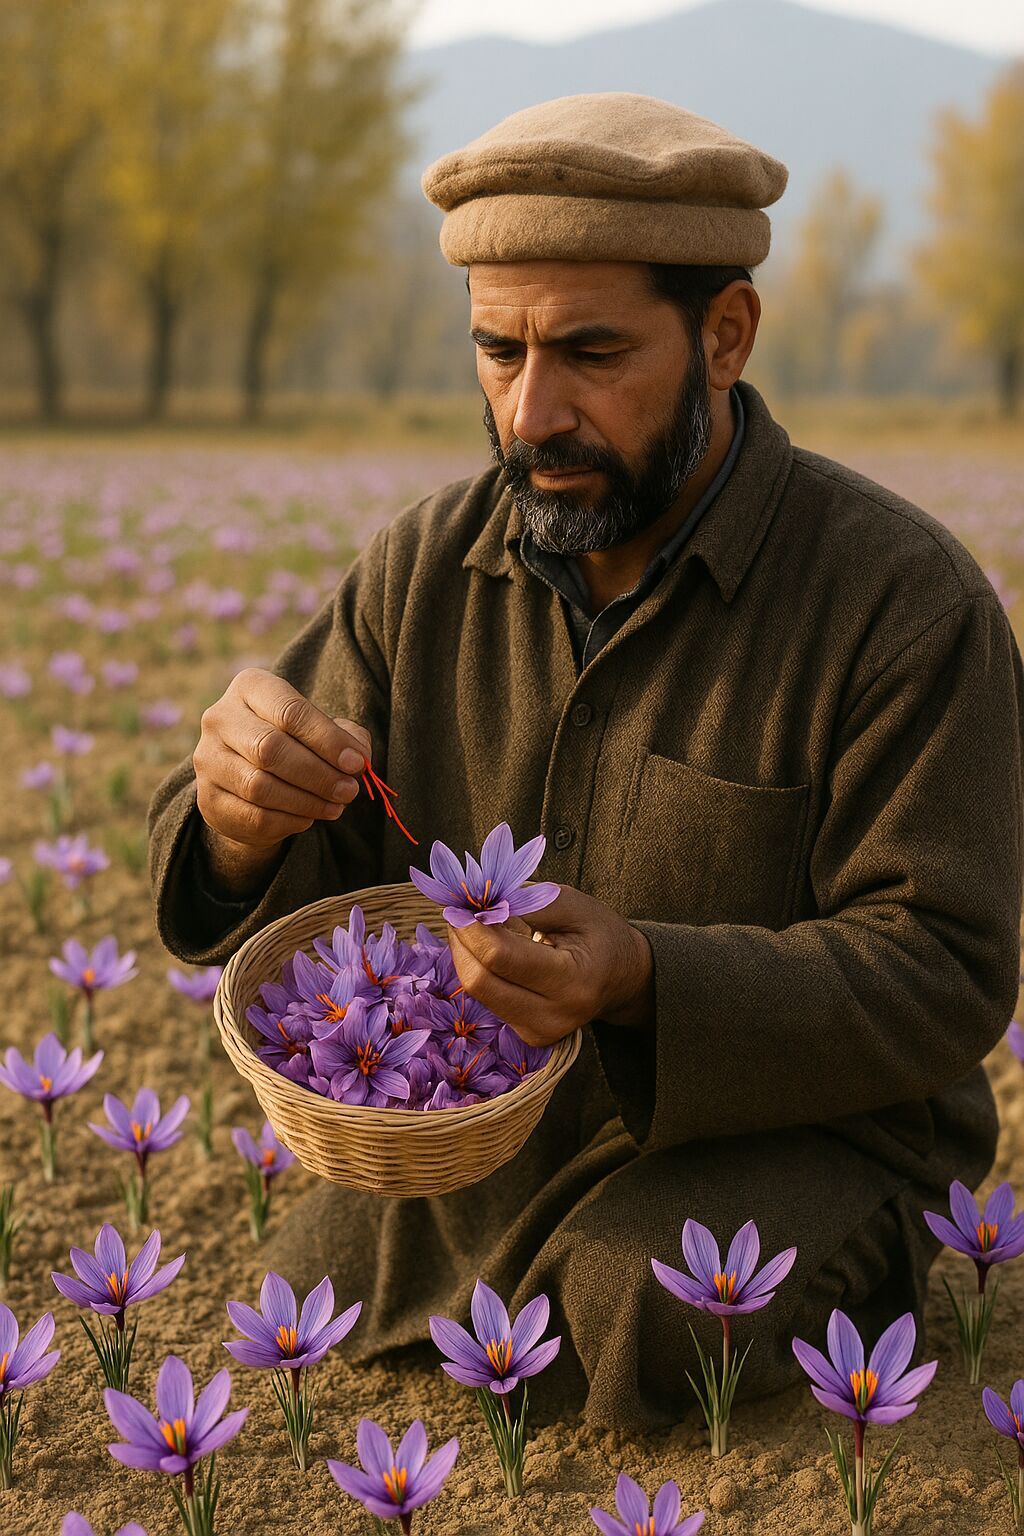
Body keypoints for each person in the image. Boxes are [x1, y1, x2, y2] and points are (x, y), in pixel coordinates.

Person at [146, 93, 1024, 1435]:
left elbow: (945, 968)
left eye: (591, 352)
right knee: (303, 1288)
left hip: (804, 1132)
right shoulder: (424, 566)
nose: (532, 411)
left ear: (726, 334)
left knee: (639, 1310)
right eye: (498, 352)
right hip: (494, 1133)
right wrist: (234, 820)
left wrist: (649, 975)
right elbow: (307, 847)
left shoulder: (899, 599)